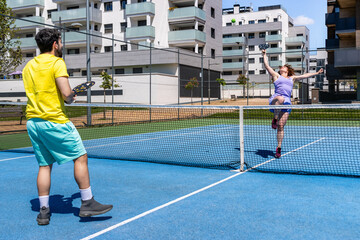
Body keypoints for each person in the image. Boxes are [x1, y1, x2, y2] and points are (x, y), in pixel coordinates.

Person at [22, 28, 113, 226]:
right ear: (55, 44)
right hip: (54, 121)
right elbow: (66, 94)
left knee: (44, 165)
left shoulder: (29, 66)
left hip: (33, 122)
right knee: (80, 157)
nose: (62, 45)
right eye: (61, 42)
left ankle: (43, 211)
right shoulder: (57, 62)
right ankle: (87, 202)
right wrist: (71, 97)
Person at [262, 49, 323, 158]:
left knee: (281, 126)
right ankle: (275, 118)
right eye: (281, 67)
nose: (281, 67)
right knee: (280, 99)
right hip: (275, 100)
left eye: (283, 67)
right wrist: (264, 54)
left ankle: (278, 148)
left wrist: (317, 73)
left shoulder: (292, 78)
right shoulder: (276, 76)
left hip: (287, 103)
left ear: (287, 70)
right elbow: (267, 66)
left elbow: (305, 75)